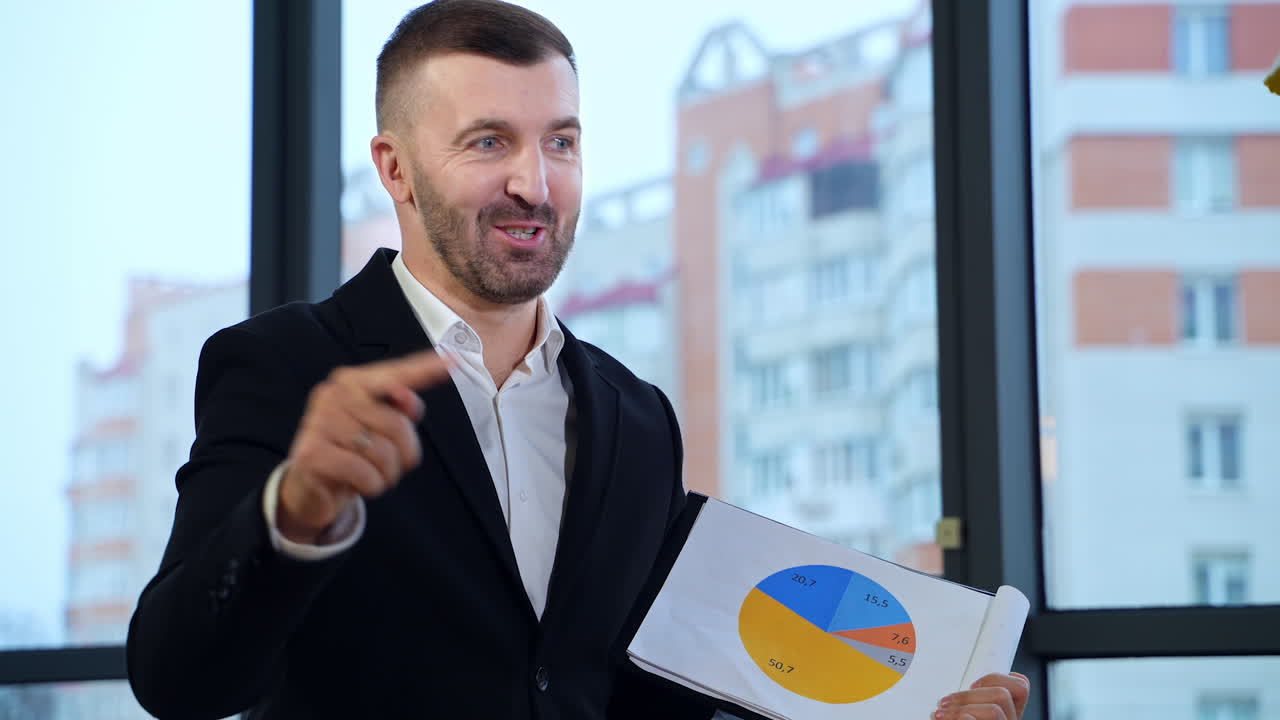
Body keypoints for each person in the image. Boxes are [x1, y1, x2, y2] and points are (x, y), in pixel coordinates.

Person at [125, 1, 1032, 718]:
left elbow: (640, 697)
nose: (537, 182)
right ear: (395, 170)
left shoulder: (634, 415)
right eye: (490, 142)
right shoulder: (282, 366)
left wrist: (899, 710)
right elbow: (181, 681)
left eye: (561, 140)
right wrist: (297, 513)